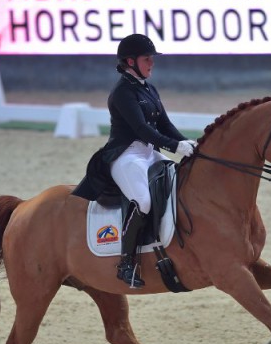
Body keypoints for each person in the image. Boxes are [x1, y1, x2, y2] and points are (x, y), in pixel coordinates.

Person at [73, 33, 197, 288]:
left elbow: (164, 124)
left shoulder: (148, 88)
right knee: (142, 200)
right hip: (125, 155)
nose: (152, 63)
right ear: (130, 62)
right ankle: (126, 263)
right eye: (147, 59)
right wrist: (175, 146)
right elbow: (141, 129)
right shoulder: (121, 93)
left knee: (178, 180)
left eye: (152, 58)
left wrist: (189, 144)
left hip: (148, 152)